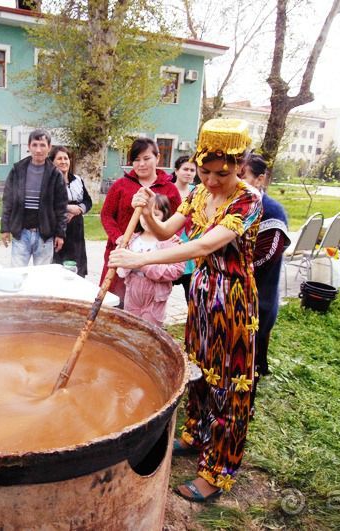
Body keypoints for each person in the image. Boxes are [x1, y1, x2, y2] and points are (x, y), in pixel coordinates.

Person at [108, 119, 261, 502]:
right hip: (203, 295)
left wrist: (139, 261)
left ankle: (218, 470)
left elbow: (202, 246)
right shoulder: (197, 193)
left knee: (228, 385)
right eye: (205, 172)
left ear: (239, 165)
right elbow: (165, 233)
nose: (210, 181)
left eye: (221, 174)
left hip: (233, 300)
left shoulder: (248, 200)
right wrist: (146, 213)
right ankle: (195, 434)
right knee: (198, 370)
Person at [100, 138, 181, 305]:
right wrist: (118, 238)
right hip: (121, 251)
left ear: (158, 158)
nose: (141, 164)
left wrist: (171, 239)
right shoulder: (121, 185)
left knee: (145, 302)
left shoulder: (169, 189)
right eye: (136, 160)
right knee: (113, 300)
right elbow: (106, 215)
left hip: (153, 256)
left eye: (146, 158)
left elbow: (179, 218)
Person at [241, 153, 290, 378]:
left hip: (258, 291)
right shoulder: (231, 204)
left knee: (252, 344)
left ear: (260, 179)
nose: (235, 182)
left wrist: (229, 266)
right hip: (231, 291)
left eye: (242, 177)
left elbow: (267, 256)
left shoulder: (271, 211)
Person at [0, 129, 67, 266]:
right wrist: (5, 228)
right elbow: (8, 201)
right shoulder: (17, 170)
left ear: (49, 147)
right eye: (34, 145)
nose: (38, 150)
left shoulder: (55, 174)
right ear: (29, 146)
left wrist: (60, 234)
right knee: (18, 274)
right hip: (21, 233)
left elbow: (61, 208)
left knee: (41, 276)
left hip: (45, 235)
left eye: (42, 145)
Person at [116, 194, 184, 327]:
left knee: (150, 329)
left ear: (165, 216)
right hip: (133, 293)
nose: (148, 219)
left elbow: (176, 271)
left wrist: (143, 265)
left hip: (155, 297)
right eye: (144, 214)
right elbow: (119, 265)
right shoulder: (131, 239)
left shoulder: (170, 242)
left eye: (156, 214)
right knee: (130, 326)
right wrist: (121, 253)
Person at [49, 146, 92, 277]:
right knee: (58, 267)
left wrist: (78, 209)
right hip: (57, 227)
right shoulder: (49, 182)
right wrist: (67, 208)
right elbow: (46, 202)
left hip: (76, 230)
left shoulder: (77, 180)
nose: (63, 161)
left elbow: (88, 201)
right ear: (52, 162)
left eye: (66, 158)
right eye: (59, 159)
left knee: (76, 266)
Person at [170, 155, 198, 304]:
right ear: (176, 171)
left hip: (192, 248)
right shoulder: (167, 191)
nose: (188, 173)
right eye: (185, 169)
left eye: (192, 170)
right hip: (170, 246)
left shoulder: (198, 192)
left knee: (192, 298)